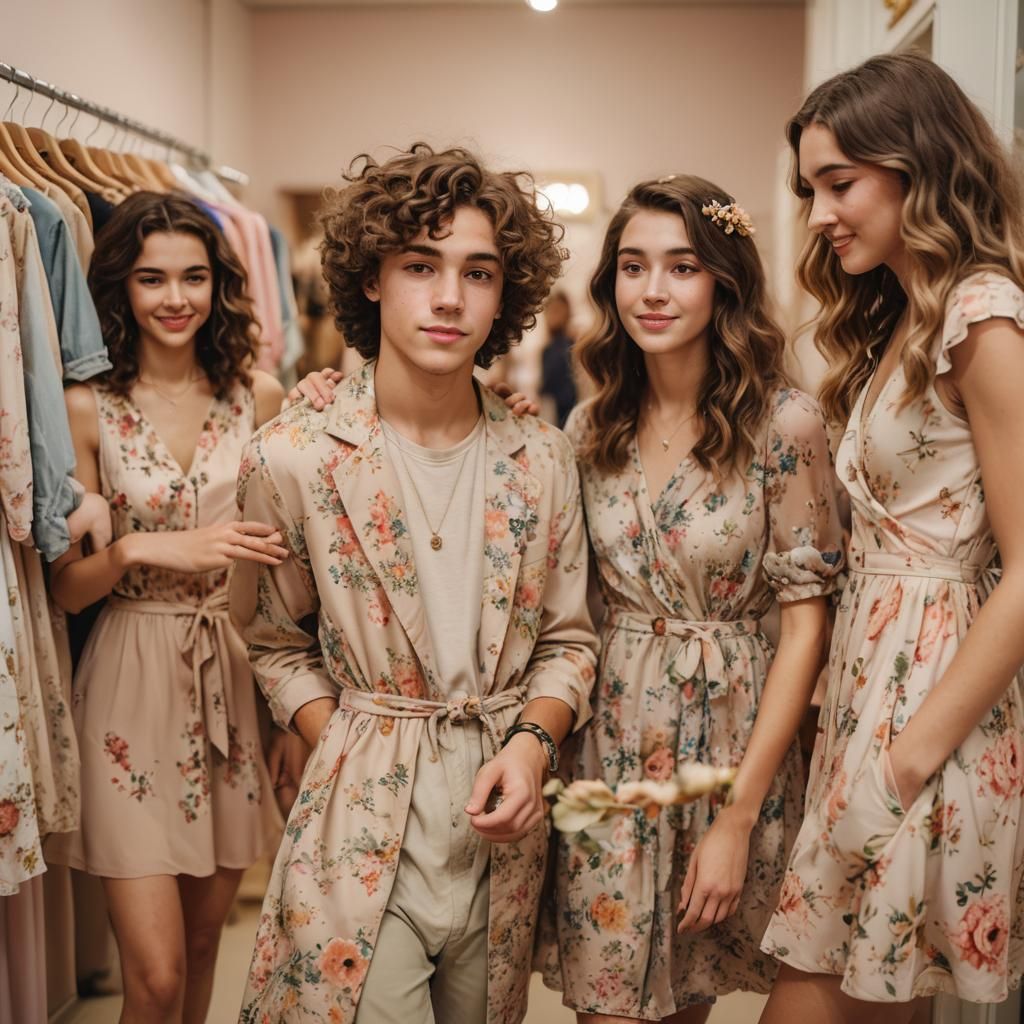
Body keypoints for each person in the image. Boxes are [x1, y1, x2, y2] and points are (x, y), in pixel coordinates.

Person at [293, 172, 844, 1023]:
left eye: (683, 266)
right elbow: (553, 598)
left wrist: (738, 818)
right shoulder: (588, 429)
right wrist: (338, 392)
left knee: (689, 1000)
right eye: (632, 266)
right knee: (610, 1006)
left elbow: (807, 628)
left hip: (731, 753)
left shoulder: (786, 426)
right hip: (603, 753)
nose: (653, 290)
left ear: (726, 281)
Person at [232, 143, 598, 1024]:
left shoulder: (542, 459)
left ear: (505, 295)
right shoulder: (293, 457)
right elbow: (273, 641)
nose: (448, 298)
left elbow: (569, 641)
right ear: (370, 280)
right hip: (358, 813)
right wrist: (347, 742)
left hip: (500, 824)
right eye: (420, 266)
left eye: (478, 273)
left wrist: (530, 744)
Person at [759, 53, 1024, 1023]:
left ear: (918, 165)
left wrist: (904, 762)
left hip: (927, 712)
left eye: (841, 183)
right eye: (810, 189)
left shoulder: (982, 316)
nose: (820, 214)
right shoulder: (902, 319)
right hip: (870, 698)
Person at [45, 191, 289, 1024]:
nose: (176, 298)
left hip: (229, 674)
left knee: (197, 951)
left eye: (194, 277)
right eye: (153, 279)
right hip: (127, 681)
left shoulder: (257, 396)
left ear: (220, 286)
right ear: (122, 287)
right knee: (150, 975)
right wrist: (137, 549)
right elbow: (66, 589)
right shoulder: (88, 408)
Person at [540, 289, 578, 427]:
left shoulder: (572, 346)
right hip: (553, 417)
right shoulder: (546, 350)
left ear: (567, 312)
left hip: (571, 416)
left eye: (557, 310)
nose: (553, 315)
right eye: (549, 311)